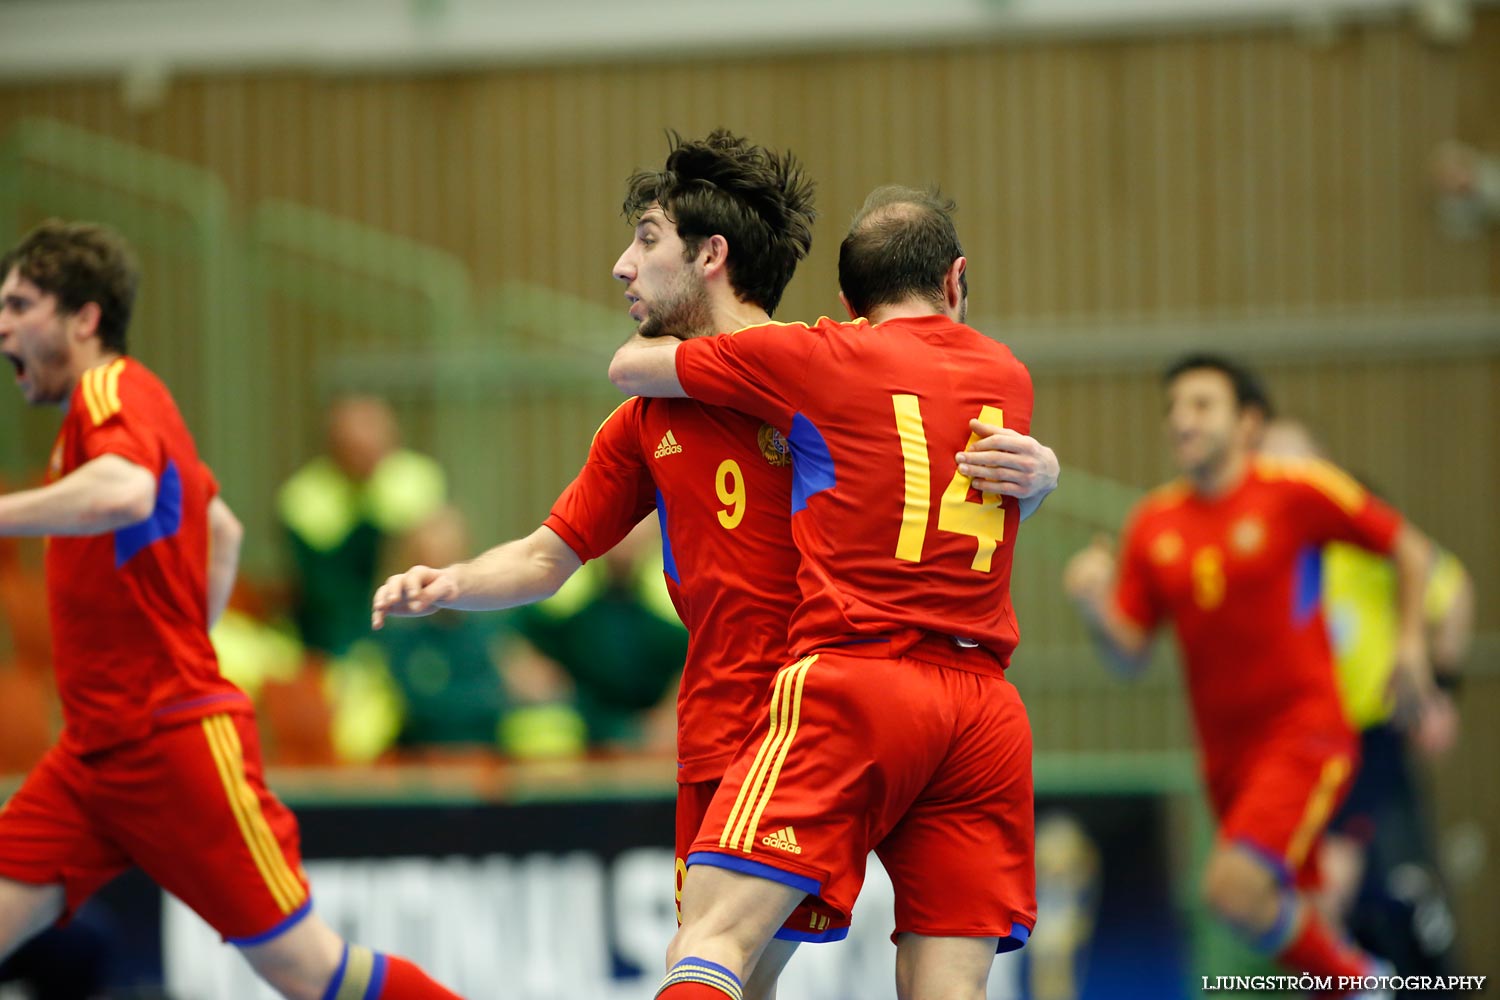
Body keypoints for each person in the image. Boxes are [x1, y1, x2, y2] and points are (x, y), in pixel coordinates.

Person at [374, 138, 1056, 1000]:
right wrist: (453, 582)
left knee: (708, 952)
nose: (621, 266)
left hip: (830, 699)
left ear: (711, 255)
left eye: (647, 240)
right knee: (749, 973)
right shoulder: (647, 420)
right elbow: (550, 555)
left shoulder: (831, 364)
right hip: (741, 719)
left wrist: (1037, 475)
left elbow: (940, 446)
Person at [0, 220, 461, 1000]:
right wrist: (180, 633)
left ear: (82, 319)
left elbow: (127, 492)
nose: (3, 324)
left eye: (19, 305)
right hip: (92, 753)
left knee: (309, 969)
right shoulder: (109, 416)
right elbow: (221, 528)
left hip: (169, 746)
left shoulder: (113, 390)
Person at [608, 185, 1043, 1000]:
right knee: (949, 989)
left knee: (711, 939)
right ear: (956, 281)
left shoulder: (825, 355)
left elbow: (635, 365)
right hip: (984, 707)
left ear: (848, 302)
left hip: (861, 680)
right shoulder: (1007, 375)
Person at [1062, 355, 1437, 992]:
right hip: (1225, 759)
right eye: (1174, 408)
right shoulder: (1154, 524)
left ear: (1248, 423)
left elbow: (1410, 547)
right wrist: (1095, 609)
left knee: (1232, 891)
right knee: (1304, 914)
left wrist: (1411, 646)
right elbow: (1129, 656)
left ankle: (1373, 984)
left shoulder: (1296, 492)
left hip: (1305, 733)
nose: (1182, 420)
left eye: (1202, 405)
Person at [1261, 419, 1472, 985]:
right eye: (1270, 467)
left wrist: (1438, 691)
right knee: (1330, 897)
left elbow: (1452, 594)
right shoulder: (1261, 548)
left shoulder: (1361, 532)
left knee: (1374, 888)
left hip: (1369, 737)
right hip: (1298, 744)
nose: (1285, 479)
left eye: (1298, 465)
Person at [279, 394, 445, 657]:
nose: (367, 458)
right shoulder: (303, 497)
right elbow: (322, 587)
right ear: (334, 449)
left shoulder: (417, 475)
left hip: (409, 597)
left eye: (376, 448)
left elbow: (435, 549)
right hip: (338, 608)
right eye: (355, 450)